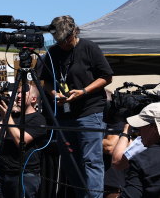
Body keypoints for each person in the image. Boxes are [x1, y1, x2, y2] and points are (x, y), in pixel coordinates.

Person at [38, 15, 113, 198]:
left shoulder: (89, 47)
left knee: (91, 159)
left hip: (89, 109)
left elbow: (107, 76)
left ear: (74, 32)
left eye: (65, 40)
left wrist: (84, 91)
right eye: (58, 41)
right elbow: (44, 81)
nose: (62, 44)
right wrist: (54, 94)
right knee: (70, 160)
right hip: (65, 113)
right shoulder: (53, 53)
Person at [0, 83, 47, 198]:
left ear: (34, 99)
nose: (18, 96)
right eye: (18, 93)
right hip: (0, 172)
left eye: (23, 93)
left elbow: (21, 141)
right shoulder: (13, 116)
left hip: (23, 174)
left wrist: (7, 117)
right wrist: (4, 114)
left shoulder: (38, 119)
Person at [119, 102, 160, 198]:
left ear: (154, 128)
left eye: (141, 127)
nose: (139, 132)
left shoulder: (142, 160)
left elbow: (132, 195)